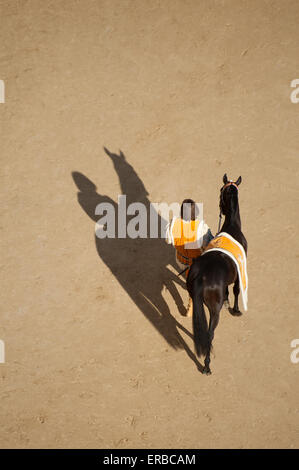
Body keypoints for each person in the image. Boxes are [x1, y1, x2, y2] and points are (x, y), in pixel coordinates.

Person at [165, 199, 214, 316]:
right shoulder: (201, 227)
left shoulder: (172, 224)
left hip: (180, 260)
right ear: (195, 213)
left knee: (188, 276)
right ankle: (192, 302)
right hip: (196, 265)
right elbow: (210, 245)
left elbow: (168, 240)